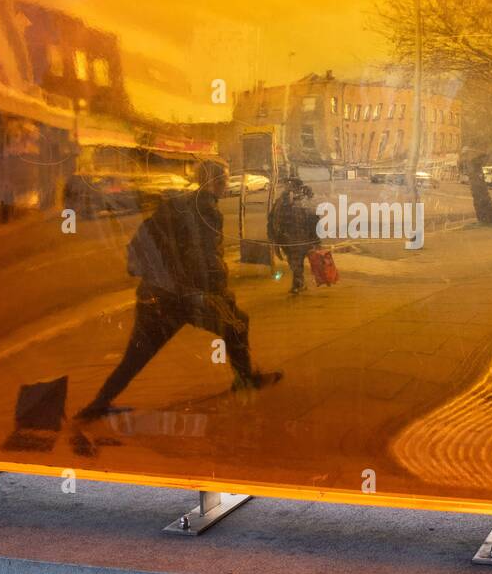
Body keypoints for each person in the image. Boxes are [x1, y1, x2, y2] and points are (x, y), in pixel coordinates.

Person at [75, 159, 281, 424]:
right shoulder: (207, 210)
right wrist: (217, 291)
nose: (225, 183)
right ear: (214, 181)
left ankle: (97, 405)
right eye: (223, 178)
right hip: (189, 298)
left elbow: (144, 240)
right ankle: (245, 380)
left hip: (157, 295)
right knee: (237, 324)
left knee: (136, 355)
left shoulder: (173, 205)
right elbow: (203, 256)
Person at [267, 177, 320, 293]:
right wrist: (274, 237)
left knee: (295, 261)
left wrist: (315, 240)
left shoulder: (301, 200)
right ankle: (298, 283)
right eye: (287, 184)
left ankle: (298, 283)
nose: (287, 187)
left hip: (297, 238)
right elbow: (272, 219)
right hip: (289, 239)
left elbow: (313, 219)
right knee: (294, 261)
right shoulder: (283, 201)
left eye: (290, 185)